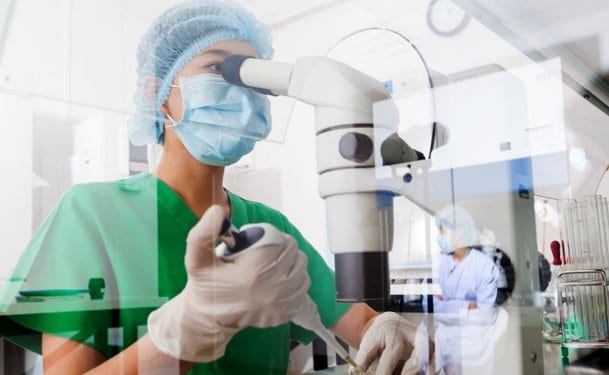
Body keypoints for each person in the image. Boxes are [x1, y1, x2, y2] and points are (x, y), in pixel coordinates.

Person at [4, 1, 430, 374]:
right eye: (219, 68)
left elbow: (360, 324)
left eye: (252, 77)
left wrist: (388, 329)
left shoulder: (269, 225)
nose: (240, 89)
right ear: (159, 93)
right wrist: (186, 334)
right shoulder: (91, 212)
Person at [425, 205, 500, 374]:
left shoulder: (483, 266)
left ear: (460, 230)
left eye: (442, 231)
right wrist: (466, 307)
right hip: (444, 335)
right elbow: (430, 306)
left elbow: (485, 315)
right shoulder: (440, 263)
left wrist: (446, 305)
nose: (439, 236)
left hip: (474, 341)